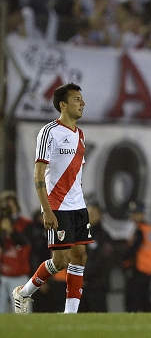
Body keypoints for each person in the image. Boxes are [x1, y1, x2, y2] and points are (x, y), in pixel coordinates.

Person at [13, 82, 93, 314]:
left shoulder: (80, 134)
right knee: (60, 261)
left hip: (79, 206)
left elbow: (76, 174)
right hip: (57, 206)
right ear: (63, 104)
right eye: (77, 99)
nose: (82, 103)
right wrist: (46, 209)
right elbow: (38, 173)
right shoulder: (49, 132)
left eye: (81, 98)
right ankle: (24, 292)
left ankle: (70, 316)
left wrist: (81, 201)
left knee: (80, 256)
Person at [122, 201, 151, 312]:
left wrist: (124, 262)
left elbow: (133, 249)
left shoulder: (140, 230)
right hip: (149, 267)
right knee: (145, 298)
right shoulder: (149, 229)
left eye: (136, 213)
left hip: (139, 267)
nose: (133, 216)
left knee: (133, 299)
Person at [79, 202, 114, 312]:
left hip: (97, 285)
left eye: (94, 213)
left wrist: (83, 275)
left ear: (101, 216)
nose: (91, 215)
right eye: (89, 213)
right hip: (80, 286)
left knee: (98, 317)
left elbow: (102, 260)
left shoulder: (104, 236)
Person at [0, 204, 32, 312]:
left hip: (19, 277)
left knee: (23, 312)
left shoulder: (22, 229)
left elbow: (25, 243)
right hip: (3, 277)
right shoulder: (2, 236)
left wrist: (11, 231)